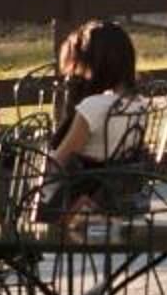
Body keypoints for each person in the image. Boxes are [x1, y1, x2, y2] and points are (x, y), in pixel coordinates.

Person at [39, 18, 143, 220]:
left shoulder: (94, 107)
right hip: (117, 195)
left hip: (76, 198)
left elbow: (59, 160)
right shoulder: (140, 105)